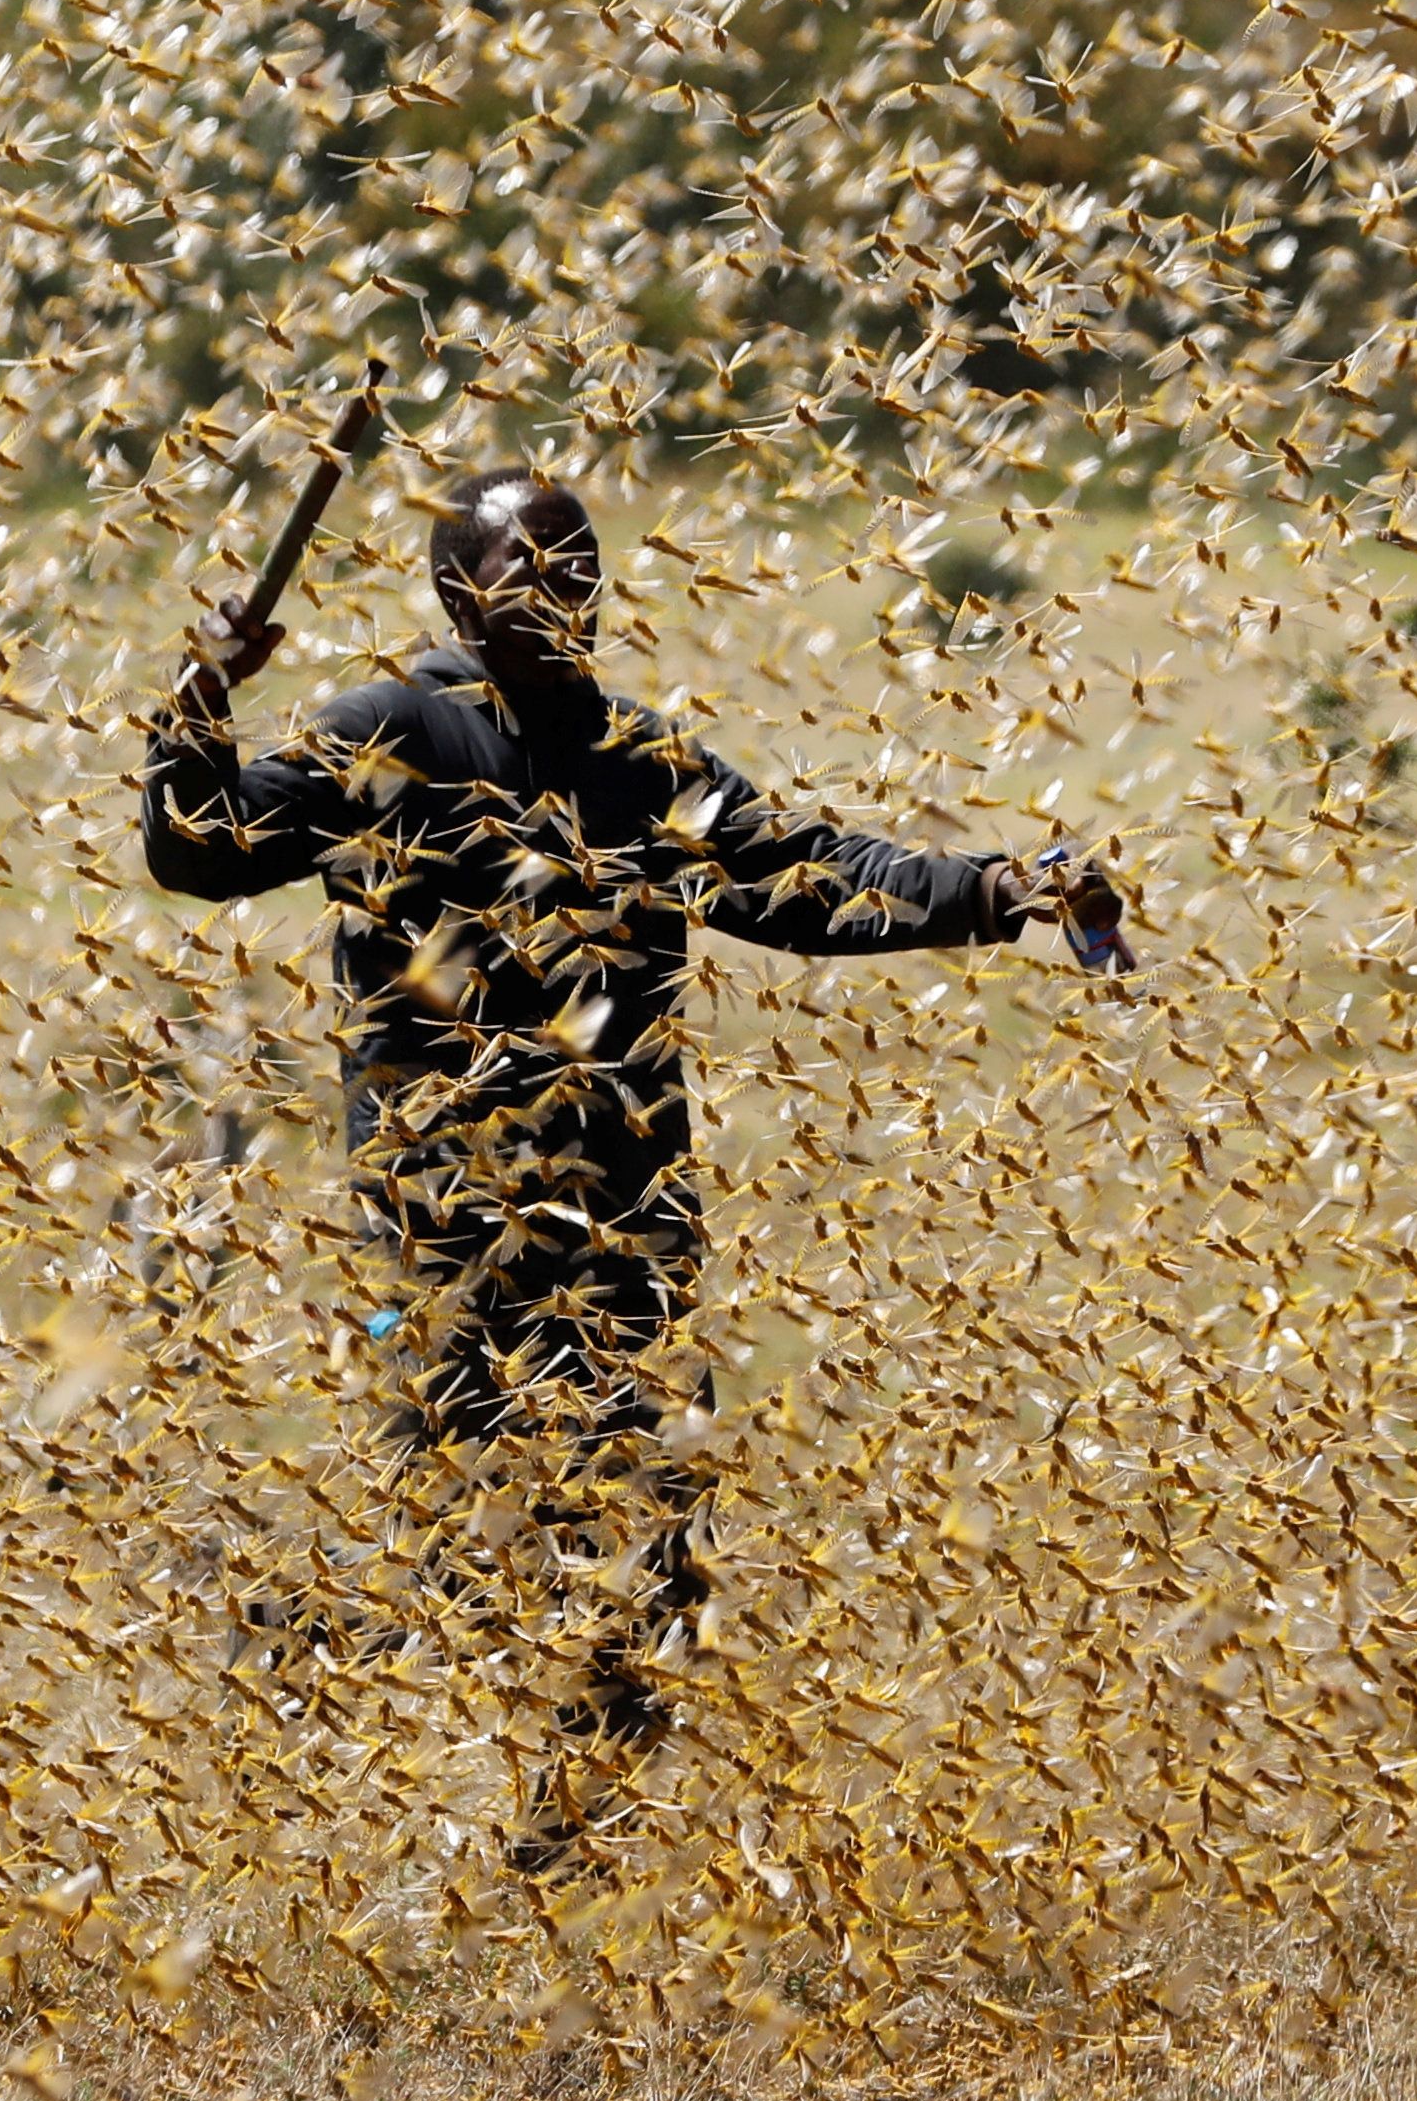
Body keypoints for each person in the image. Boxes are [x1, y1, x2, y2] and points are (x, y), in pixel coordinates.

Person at [139, 463, 1122, 1857]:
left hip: (626, 1216)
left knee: (649, 1552)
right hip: (454, 1223)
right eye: (526, 570)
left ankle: (566, 1853)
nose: (559, 593)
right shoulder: (390, 733)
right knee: (483, 1544)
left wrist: (988, 888)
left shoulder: (636, 759)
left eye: (577, 566)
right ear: (458, 593)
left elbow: (797, 873)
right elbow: (203, 852)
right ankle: (424, 1827)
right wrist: (201, 694)